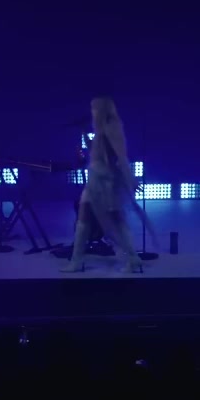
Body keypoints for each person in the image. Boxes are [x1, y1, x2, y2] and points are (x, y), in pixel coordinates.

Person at [61, 97, 144, 273]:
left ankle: (131, 257)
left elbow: (121, 157)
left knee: (112, 222)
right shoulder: (101, 130)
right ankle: (78, 260)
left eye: (95, 108)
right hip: (96, 180)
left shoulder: (111, 129)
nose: (92, 112)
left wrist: (130, 179)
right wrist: (84, 134)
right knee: (87, 219)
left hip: (104, 183)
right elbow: (97, 153)